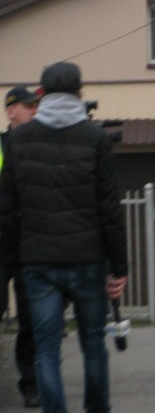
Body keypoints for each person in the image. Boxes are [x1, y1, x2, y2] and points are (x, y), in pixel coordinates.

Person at [0, 62, 128, 413]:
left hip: (37, 262)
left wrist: (11, 261)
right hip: (88, 260)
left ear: (41, 96)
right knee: (93, 344)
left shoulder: (18, 140)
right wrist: (119, 268)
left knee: (45, 348)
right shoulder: (96, 139)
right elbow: (109, 210)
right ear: (79, 94)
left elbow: (7, 207)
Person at [0, 86, 41, 408]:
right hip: (1, 244)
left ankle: (30, 382)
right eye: (29, 107)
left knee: (30, 317)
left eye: (35, 105)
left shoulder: (39, 146)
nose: (34, 111)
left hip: (28, 243)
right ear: (11, 111)